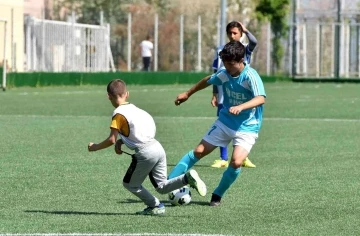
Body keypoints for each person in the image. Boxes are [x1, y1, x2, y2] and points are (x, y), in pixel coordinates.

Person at [88, 79, 207, 215]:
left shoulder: (118, 114)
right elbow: (136, 132)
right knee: (161, 186)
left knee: (130, 184)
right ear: (127, 94)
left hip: (145, 153)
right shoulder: (136, 110)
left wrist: (95, 147)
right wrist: (122, 142)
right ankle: (187, 178)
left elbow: (111, 140)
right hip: (157, 147)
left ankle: (155, 205)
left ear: (108, 96)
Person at [168, 41, 266, 206]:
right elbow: (208, 80)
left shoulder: (250, 76)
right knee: (198, 151)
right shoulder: (225, 73)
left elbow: (260, 98)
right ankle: (168, 183)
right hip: (225, 122)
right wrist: (187, 93)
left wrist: (241, 106)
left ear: (242, 60)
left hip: (247, 127)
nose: (227, 67)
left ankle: (218, 194)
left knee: (236, 162)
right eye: (225, 63)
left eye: (231, 64)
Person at [211, 21, 257, 168]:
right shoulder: (221, 50)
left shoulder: (244, 49)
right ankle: (223, 158)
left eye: (235, 33)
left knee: (243, 124)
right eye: (230, 33)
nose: (232, 36)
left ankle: (243, 157)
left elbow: (254, 42)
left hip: (244, 93)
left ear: (241, 33)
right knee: (224, 123)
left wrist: (246, 29)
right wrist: (214, 93)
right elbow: (215, 73)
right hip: (225, 93)